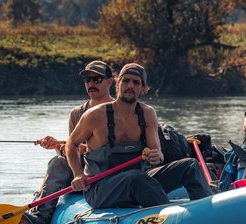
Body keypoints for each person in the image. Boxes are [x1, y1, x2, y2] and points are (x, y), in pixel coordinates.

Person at [65, 63, 212, 209]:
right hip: (100, 189)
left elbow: (157, 154)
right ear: (117, 84)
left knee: (190, 166)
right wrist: (78, 174)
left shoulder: (148, 114)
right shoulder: (95, 115)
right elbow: (71, 143)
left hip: (139, 181)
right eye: (126, 80)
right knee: (135, 178)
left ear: (143, 89)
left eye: (136, 82)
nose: (130, 86)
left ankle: (206, 212)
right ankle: (167, 217)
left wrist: (157, 156)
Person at [18, 60, 115, 224]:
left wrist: (65, 146)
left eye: (97, 79)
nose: (91, 83)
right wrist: (59, 146)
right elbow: (74, 151)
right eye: (87, 79)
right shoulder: (77, 113)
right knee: (58, 162)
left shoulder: (120, 111)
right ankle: (41, 218)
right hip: (83, 174)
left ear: (110, 81)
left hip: (109, 170)